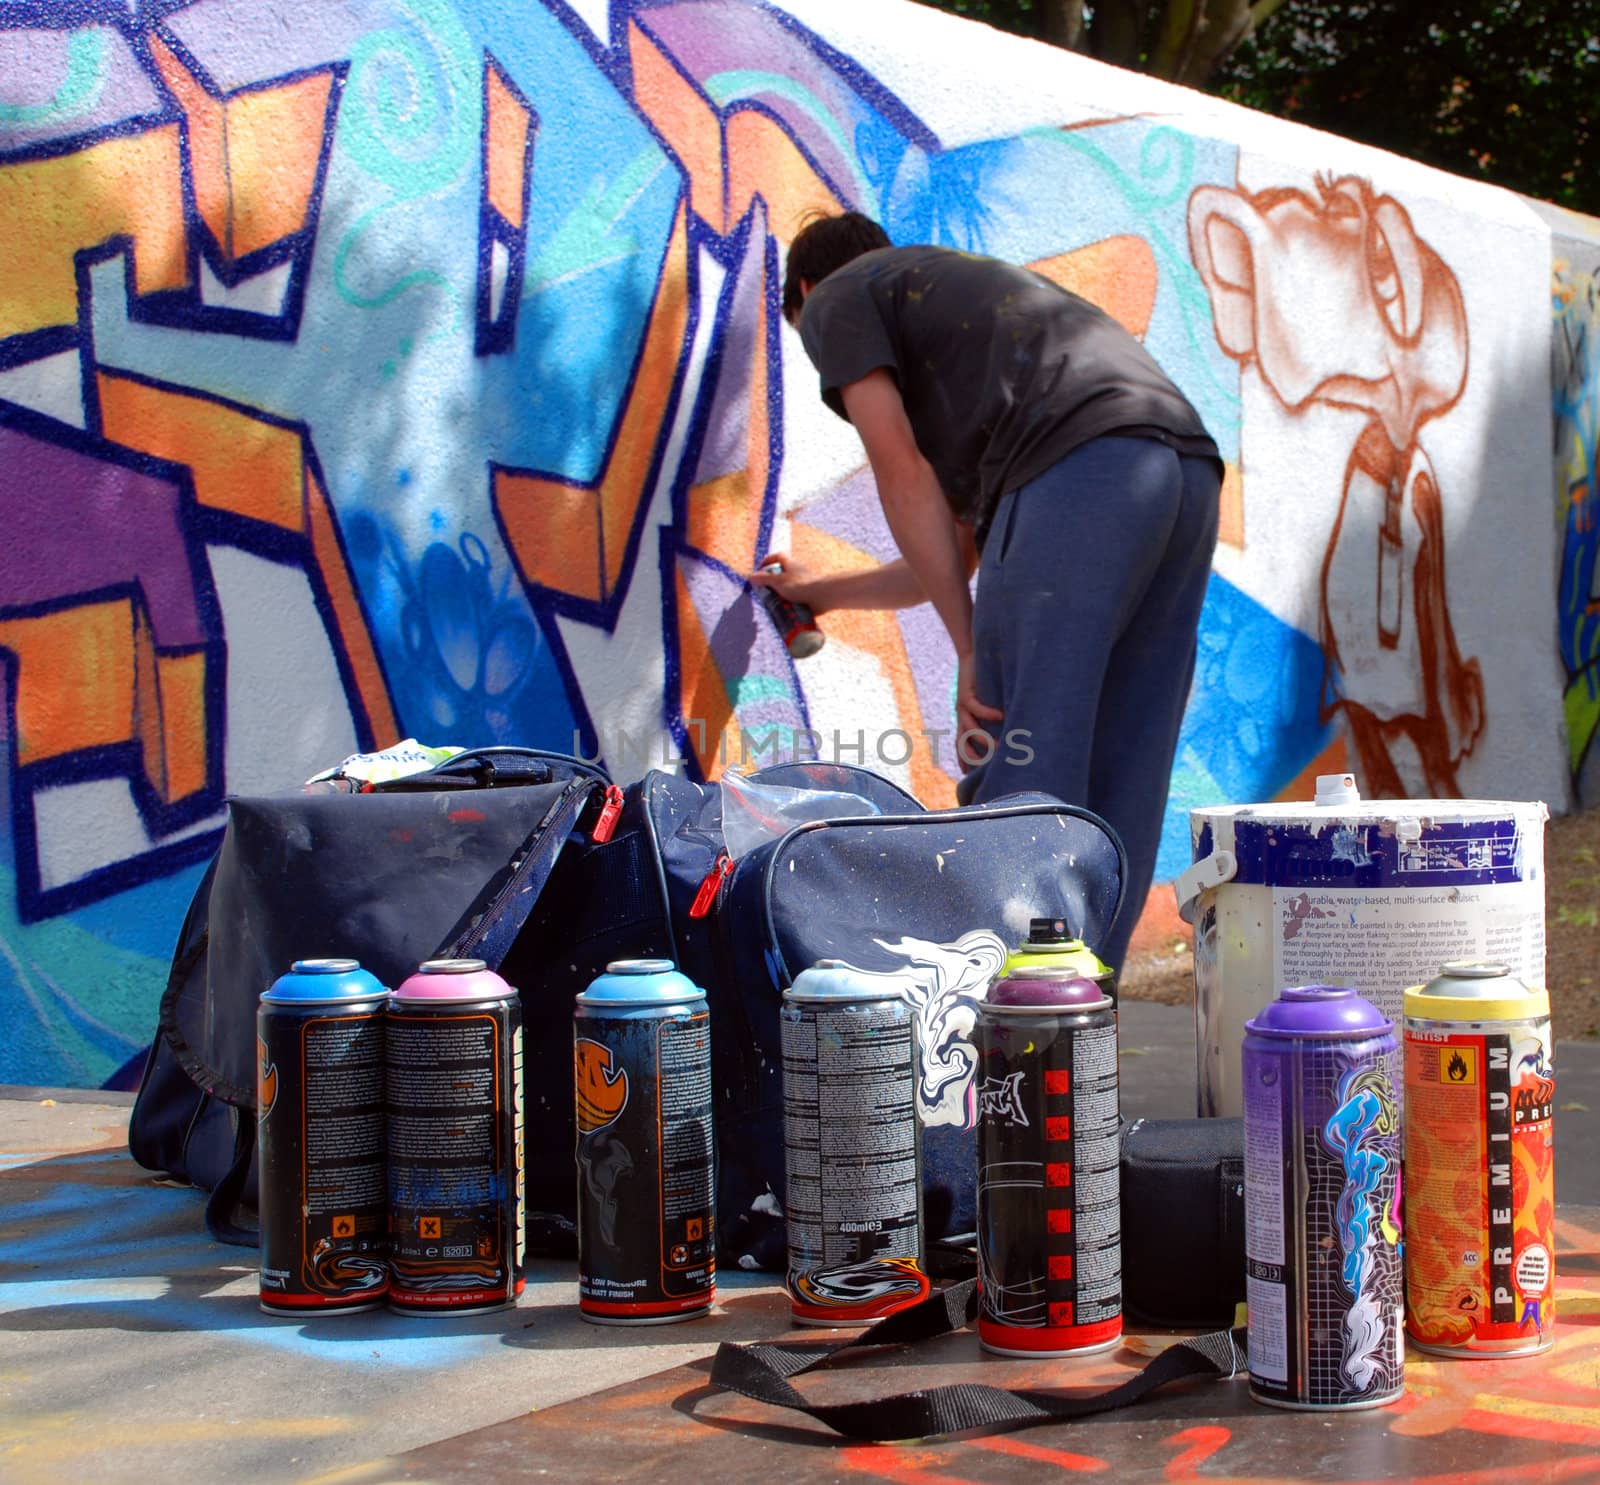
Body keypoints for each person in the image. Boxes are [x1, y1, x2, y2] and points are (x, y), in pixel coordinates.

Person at [752, 212, 1222, 970]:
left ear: (805, 290)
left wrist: (969, 648)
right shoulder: (967, 326)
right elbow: (960, 549)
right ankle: (1081, 1018)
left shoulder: (836, 296)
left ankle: (1012, 1023)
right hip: (1179, 471)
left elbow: (898, 469)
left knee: (1023, 764)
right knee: (1120, 777)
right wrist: (825, 591)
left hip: (1075, 473)